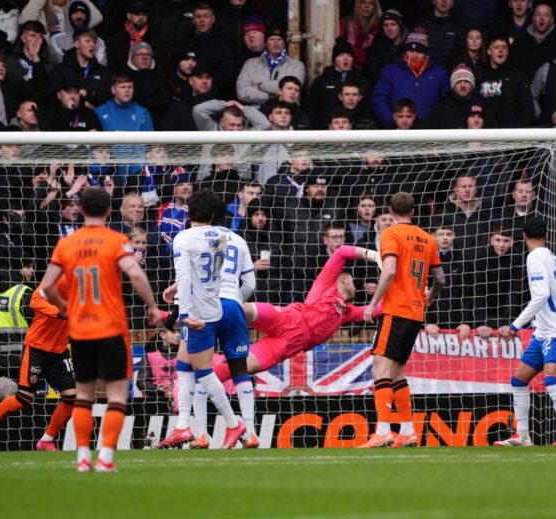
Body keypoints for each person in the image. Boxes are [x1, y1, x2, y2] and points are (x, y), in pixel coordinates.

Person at [37, 188, 162, 472]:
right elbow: (135, 274)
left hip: (80, 329)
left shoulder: (67, 244)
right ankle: (105, 457)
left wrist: (64, 307)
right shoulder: (116, 240)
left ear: (81, 211)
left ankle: (83, 457)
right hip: (111, 327)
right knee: (117, 395)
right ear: (109, 212)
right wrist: (152, 306)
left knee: (83, 395)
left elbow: (46, 286)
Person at [210, 244, 382, 383]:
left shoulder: (347, 311)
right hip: (288, 318)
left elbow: (375, 310)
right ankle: (206, 314)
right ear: (343, 280)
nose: (356, 287)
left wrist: (397, 288)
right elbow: (342, 251)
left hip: (289, 345)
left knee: (243, 366)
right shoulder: (326, 283)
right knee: (243, 309)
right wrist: (375, 256)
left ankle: (197, 381)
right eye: (353, 282)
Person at [158, 189, 245, 450]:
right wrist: (175, 287)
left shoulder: (183, 238)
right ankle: (182, 426)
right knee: (184, 367)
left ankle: (233, 423)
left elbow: (187, 276)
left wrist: (185, 314)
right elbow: (209, 272)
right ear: (213, 214)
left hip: (197, 313)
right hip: (212, 304)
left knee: (204, 372)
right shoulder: (222, 235)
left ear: (189, 212)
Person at [359, 191, 445, 448]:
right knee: (396, 370)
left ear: (390, 212)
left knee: (379, 367)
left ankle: (383, 430)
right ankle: (407, 431)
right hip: (416, 313)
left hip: (395, 310)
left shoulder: (390, 234)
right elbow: (440, 278)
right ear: (413, 211)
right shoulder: (428, 239)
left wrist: (373, 304)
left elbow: (390, 271)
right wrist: (430, 295)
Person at [493, 217, 556, 447]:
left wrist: (515, 325)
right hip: (543, 331)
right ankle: (522, 436)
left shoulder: (535, 257)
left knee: (551, 379)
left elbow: (540, 295)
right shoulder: (550, 255)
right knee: (519, 380)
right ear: (547, 235)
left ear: (523, 236)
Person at [0, 279, 75, 453]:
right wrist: (60, 312)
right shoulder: (60, 278)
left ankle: (46, 440)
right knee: (24, 397)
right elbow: (35, 300)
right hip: (37, 346)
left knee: (72, 397)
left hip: (59, 349)